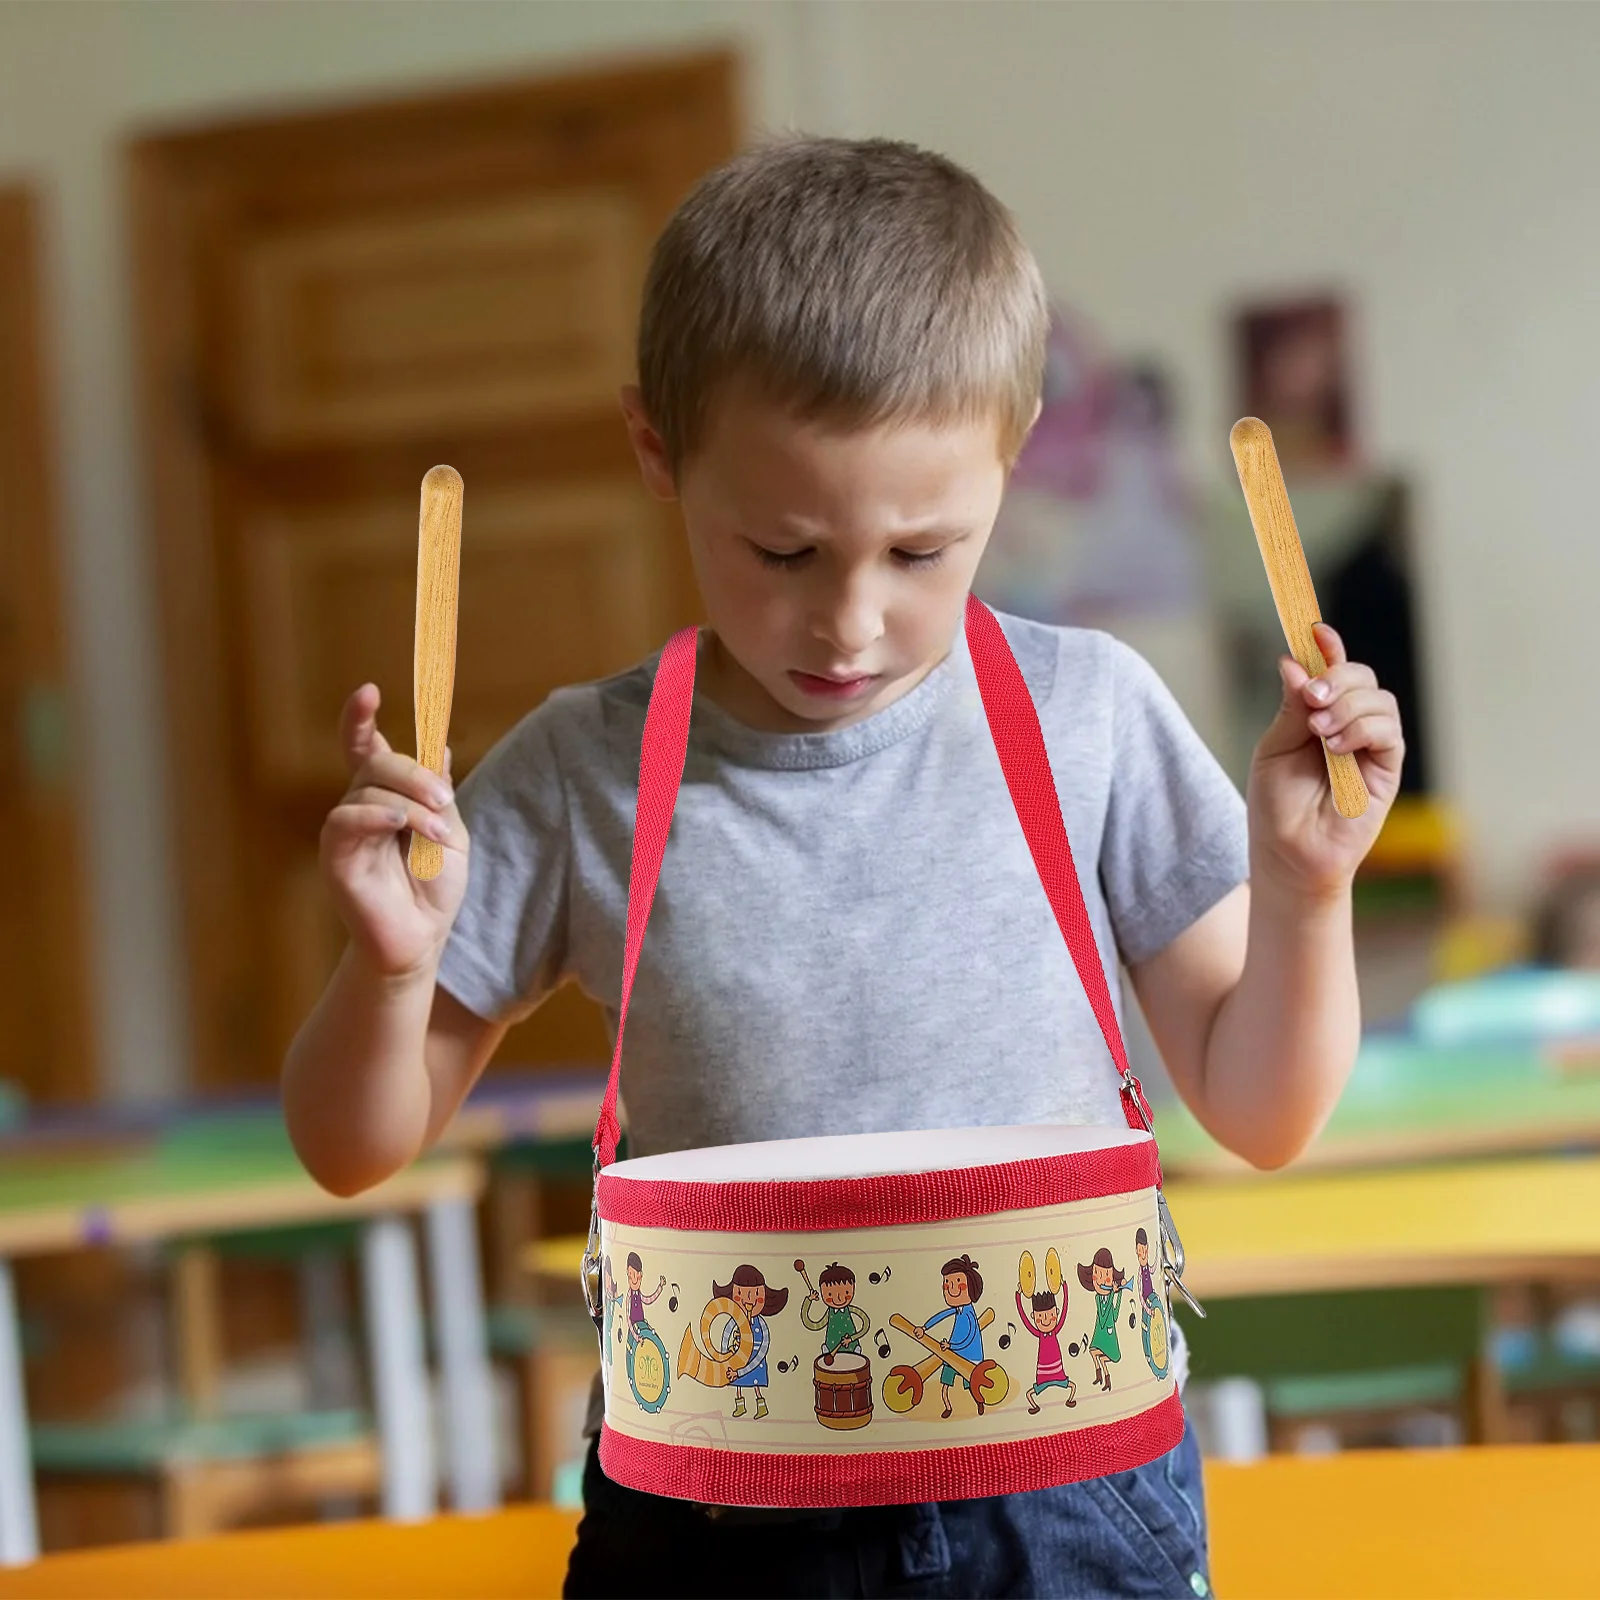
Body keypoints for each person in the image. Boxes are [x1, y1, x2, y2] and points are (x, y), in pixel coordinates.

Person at [282, 134, 1404, 1599]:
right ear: (657, 452)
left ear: (1012, 457)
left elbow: (1264, 1111)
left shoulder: (1092, 719)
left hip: (1064, 1510)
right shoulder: (581, 772)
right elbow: (349, 1144)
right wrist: (390, 967)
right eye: (784, 550)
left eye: (925, 551)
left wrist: (1308, 892)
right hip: (710, 1527)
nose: (852, 622)